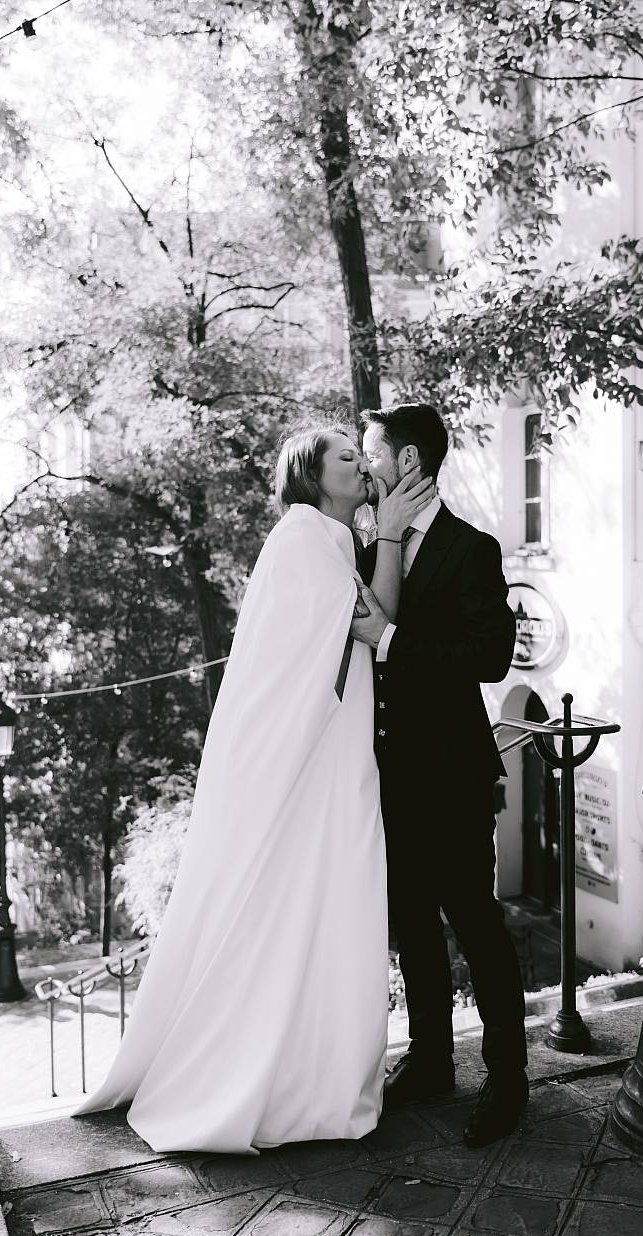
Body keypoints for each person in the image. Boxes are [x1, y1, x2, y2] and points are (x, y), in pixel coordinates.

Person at [78, 423, 433, 1153]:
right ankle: (283, 1076)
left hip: (335, 749)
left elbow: (363, 627)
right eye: (345, 457)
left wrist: (380, 536)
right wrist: (391, 536)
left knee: (327, 896)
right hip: (313, 755)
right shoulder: (304, 537)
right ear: (312, 476)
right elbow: (375, 625)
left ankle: (314, 1063)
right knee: (308, 891)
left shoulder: (330, 541)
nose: (359, 465)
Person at [352, 402, 528, 1148]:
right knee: (412, 927)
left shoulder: (471, 549)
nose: (365, 467)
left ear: (410, 462)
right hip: (384, 780)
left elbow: (487, 659)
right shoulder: (369, 551)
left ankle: (509, 1081)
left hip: (453, 779)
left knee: (477, 926)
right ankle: (429, 1061)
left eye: (372, 455)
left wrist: (391, 640)